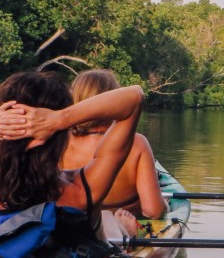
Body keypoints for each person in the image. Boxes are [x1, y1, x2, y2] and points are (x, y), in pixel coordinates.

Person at [0, 70, 145, 258]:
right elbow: (134, 97)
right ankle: (125, 231)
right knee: (108, 217)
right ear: (60, 137)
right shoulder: (82, 193)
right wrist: (60, 119)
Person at [60, 69, 167, 227]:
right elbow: (153, 211)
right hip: (121, 225)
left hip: (74, 225)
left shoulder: (58, 143)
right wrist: (165, 204)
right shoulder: (137, 143)